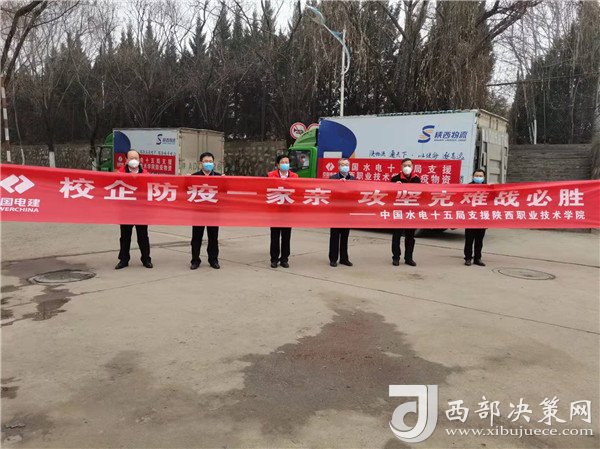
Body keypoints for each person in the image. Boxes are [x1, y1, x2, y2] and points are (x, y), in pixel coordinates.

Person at [115, 150, 153, 269]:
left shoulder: (146, 174)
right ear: (126, 160)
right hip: (125, 210)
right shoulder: (119, 174)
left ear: (140, 160)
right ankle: (123, 260)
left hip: (141, 210)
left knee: (143, 236)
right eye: (131, 158)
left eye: (136, 158)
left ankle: (146, 259)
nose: (134, 160)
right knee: (125, 237)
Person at [190, 152, 222, 270]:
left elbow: (225, 192)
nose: (208, 163)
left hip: (213, 212)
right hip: (198, 212)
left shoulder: (219, 177)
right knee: (196, 238)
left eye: (210, 161)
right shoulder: (194, 177)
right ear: (201, 163)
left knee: (213, 238)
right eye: (206, 161)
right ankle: (195, 260)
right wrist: (186, 180)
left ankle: (213, 260)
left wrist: (225, 181)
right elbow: (185, 191)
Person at [267, 154, 298, 268]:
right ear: (278, 165)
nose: (285, 164)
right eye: (283, 162)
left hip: (288, 211)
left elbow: (297, 190)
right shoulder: (271, 175)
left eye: (287, 162)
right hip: (275, 210)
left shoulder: (294, 176)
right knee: (275, 236)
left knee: (286, 236)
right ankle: (274, 259)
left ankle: (284, 259)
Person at [390, 158, 420, 267]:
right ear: (401, 167)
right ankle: (396, 257)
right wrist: (394, 187)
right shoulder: (395, 179)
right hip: (398, 211)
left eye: (409, 165)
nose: (407, 167)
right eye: (405, 165)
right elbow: (389, 195)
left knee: (410, 237)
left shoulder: (416, 179)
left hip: (411, 212)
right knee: (396, 236)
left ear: (413, 167)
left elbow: (420, 194)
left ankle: (409, 258)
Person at [329, 158, 354, 267]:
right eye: (342, 164)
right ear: (338, 167)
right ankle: (333, 259)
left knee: (345, 236)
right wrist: (339, 185)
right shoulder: (333, 178)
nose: (345, 166)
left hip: (347, 212)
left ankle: (344, 258)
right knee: (334, 236)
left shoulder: (353, 179)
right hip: (336, 212)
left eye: (346, 164)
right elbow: (330, 194)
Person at [464, 169, 487, 267]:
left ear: (484, 177)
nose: (478, 177)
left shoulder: (488, 188)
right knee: (469, 240)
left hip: (482, 218)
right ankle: (468, 258)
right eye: (476, 176)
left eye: (480, 176)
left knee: (479, 240)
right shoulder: (468, 187)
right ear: (473, 177)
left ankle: (477, 258)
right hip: (470, 217)